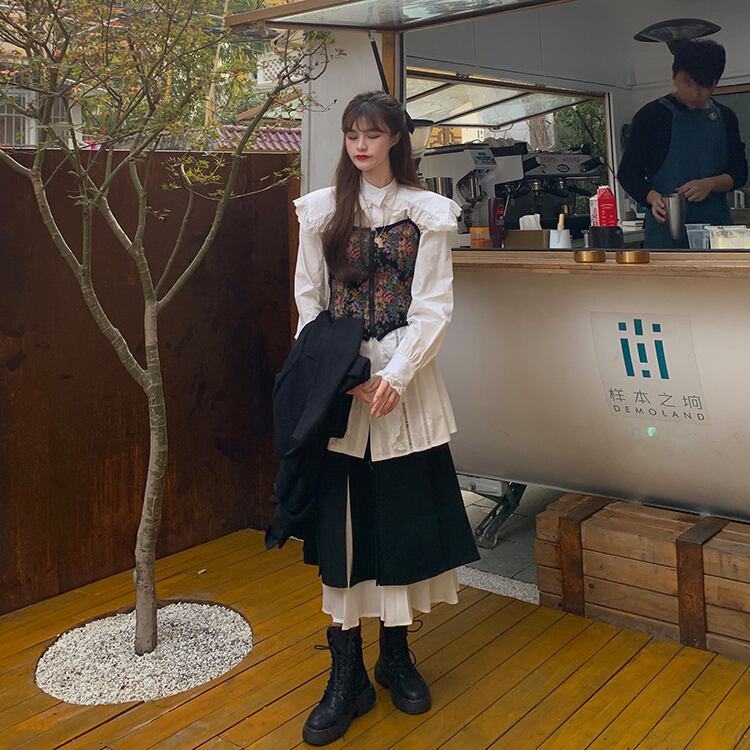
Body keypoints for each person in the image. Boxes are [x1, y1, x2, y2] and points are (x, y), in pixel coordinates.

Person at [290, 90, 480, 746]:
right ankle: (345, 675)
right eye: (352, 135)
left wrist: (396, 375)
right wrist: (338, 371)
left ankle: (395, 657)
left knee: (401, 522)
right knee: (343, 528)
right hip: (341, 389)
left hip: (406, 386)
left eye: (372, 134)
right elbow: (308, 301)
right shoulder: (321, 211)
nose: (360, 146)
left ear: (396, 137)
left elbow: (433, 306)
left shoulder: (427, 213)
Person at [618, 39, 748, 248]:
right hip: (664, 232)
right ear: (674, 75)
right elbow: (628, 173)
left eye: (704, 87)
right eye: (688, 84)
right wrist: (651, 197)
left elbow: (739, 172)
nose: (695, 94)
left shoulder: (725, 117)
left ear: (716, 82)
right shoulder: (651, 116)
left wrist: (710, 184)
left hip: (716, 233)